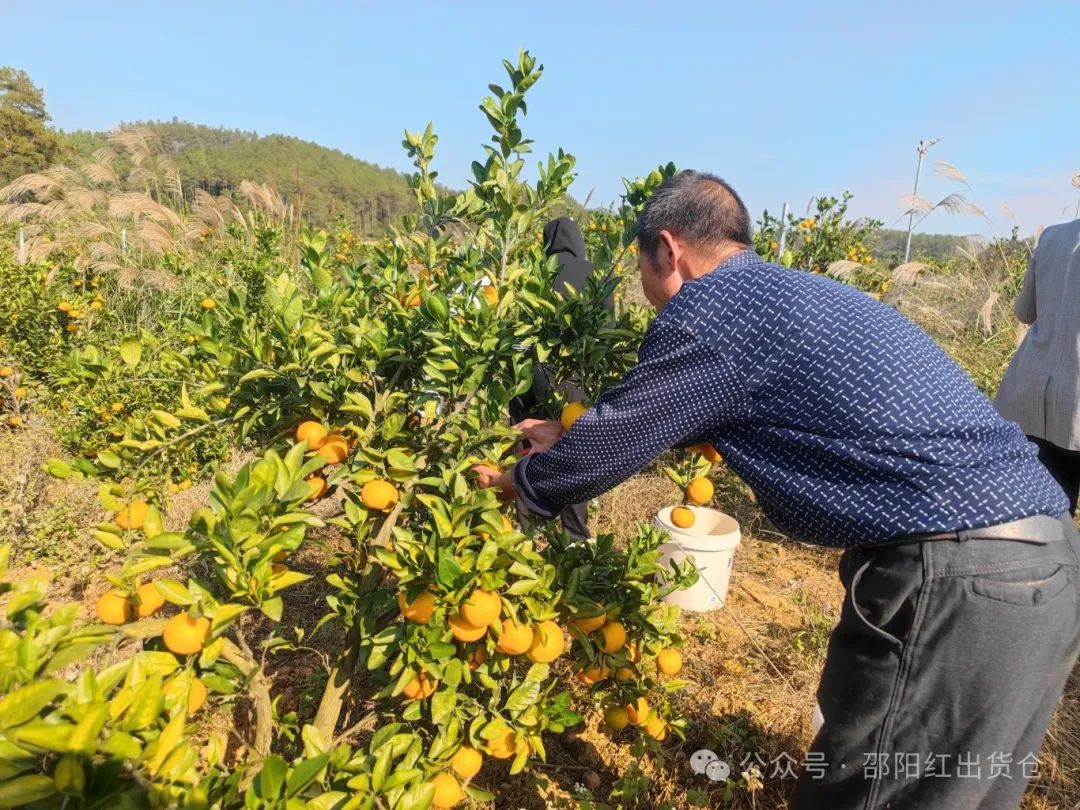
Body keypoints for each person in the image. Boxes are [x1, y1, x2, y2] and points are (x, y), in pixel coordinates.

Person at [475, 171, 1080, 810]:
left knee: (865, 794)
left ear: (668, 249)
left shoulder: (709, 311)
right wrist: (570, 430)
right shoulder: (783, 295)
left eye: (642, 269)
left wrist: (522, 480)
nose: (646, 290)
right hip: (1041, 561)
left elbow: (618, 439)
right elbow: (715, 406)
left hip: (959, 580)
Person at [507, 216, 611, 540]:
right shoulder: (594, 274)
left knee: (532, 446)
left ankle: (528, 533)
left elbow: (517, 335)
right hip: (576, 377)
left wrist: (517, 396)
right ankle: (575, 536)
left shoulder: (536, 275)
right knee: (573, 451)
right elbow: (608, 334)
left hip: (535, 372)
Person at [995, 216, 1080, 516]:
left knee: (1051, 517)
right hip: (1074, 404)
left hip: (1033, 394)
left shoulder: (1052, 237)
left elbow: (1025, 312)